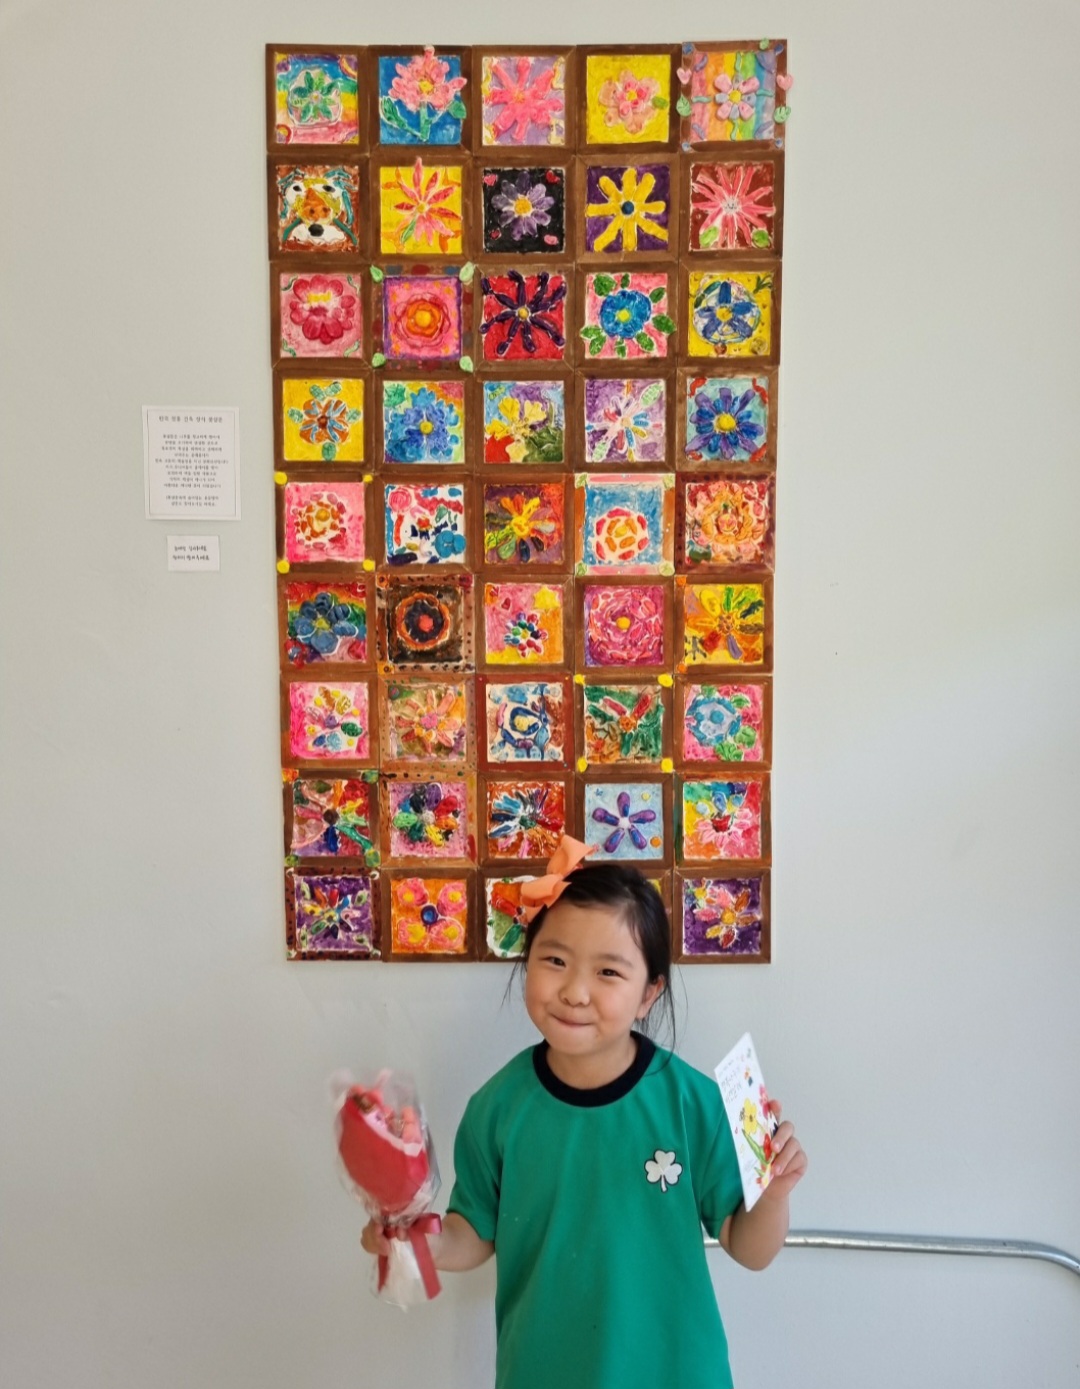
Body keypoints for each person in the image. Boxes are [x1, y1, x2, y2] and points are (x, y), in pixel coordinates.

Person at [362, 837, 807, 1389]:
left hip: (676, 1373)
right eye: (555, 961)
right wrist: (417, 1240)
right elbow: (473, 1232)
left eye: (608, 973)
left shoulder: (693, 1102)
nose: (574, 991)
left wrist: (773, 1192)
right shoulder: (496, 1109)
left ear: (649, 993)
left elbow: (750, 1248)